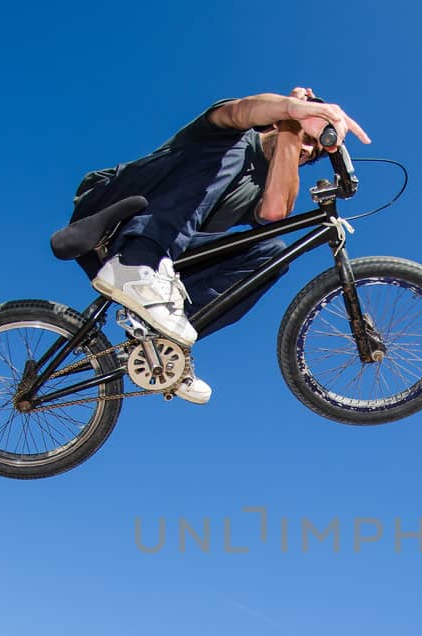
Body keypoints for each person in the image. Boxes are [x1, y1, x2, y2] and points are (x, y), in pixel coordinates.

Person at [66, 88, 370, 405]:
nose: (307, 149)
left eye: (312, 150)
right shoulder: (230, 134)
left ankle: (165, 344)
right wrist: (292, 110)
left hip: (168, 250)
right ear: (275, 124)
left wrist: (294, 136)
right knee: (232, 144)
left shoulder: (267, 182)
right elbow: (241, 111)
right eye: (305, 139)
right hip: (116, 210)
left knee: (272, 251)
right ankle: (138, 261)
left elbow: (275, 212)